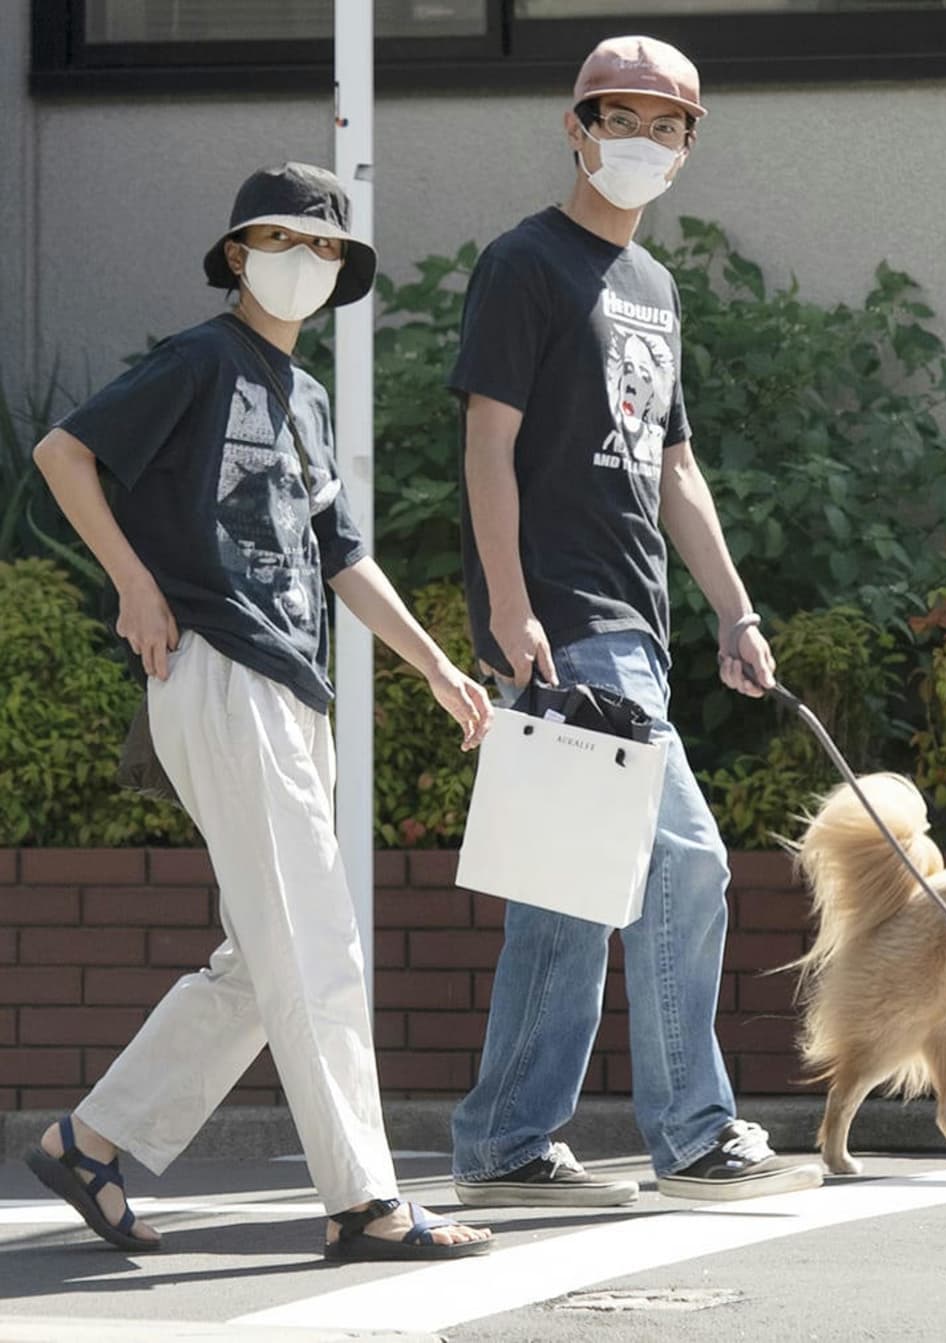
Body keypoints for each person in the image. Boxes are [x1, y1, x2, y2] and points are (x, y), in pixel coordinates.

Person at [26, 162, 494, 1262]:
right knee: (315, 942)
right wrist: (137, 584)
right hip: (218, 667)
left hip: (289, 682)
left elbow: (339, 554)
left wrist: (431, 663)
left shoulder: (308, 397)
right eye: (283, 240)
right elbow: (63, 452)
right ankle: (364, 1199)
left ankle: (89, 1138)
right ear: (239, 253)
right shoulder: (199, 359)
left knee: (261, 953)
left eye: (326, 248)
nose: (305, 262)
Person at [449, 36, 825, 1206]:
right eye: (621, 118)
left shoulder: (654, 291)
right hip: (565, 624)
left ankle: (506, 1143)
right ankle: (694, 1129)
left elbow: (673, 468)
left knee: (565, 897)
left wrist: (734, 611)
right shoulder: (524, 265)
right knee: (687, 861)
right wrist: (509, 604)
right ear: (575, 126)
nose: (644, 143)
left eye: (669, 126)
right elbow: (487, 446)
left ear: (687, 145)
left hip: (637, 626)